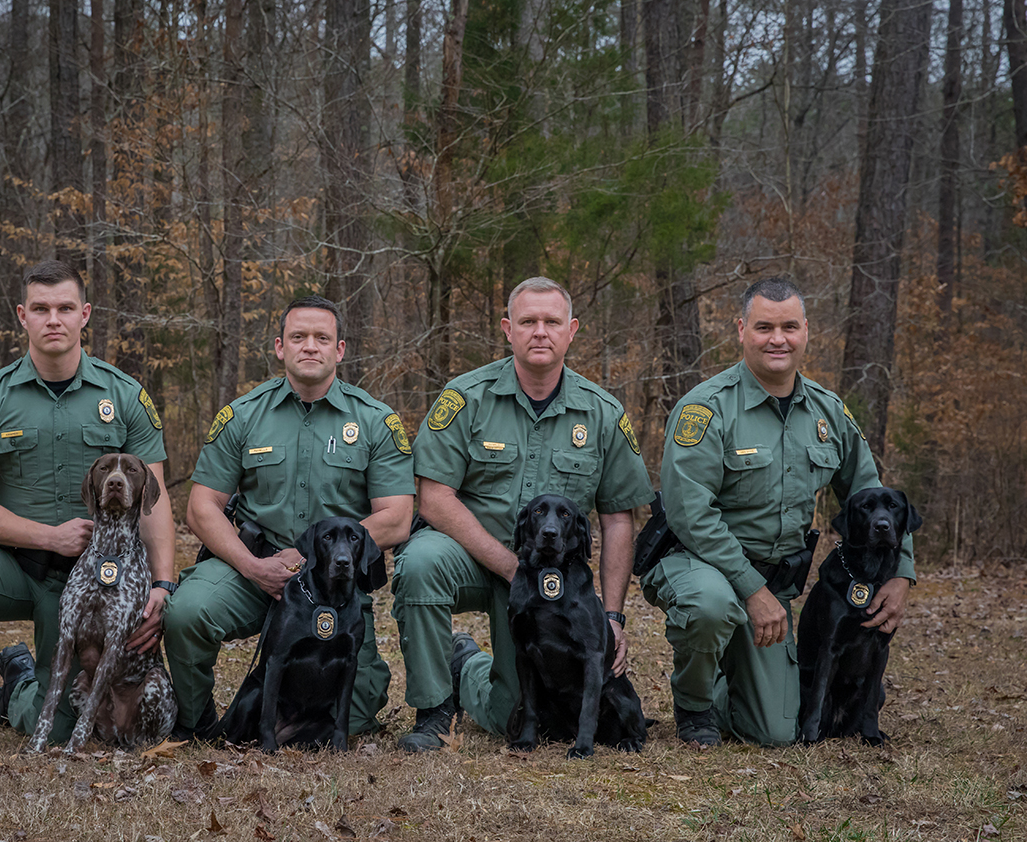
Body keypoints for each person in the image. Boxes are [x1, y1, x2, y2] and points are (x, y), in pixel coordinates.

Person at [0, 260, 176, 756]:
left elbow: (155, 501)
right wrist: (47, 536)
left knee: (61, 727)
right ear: (22, 316)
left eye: (65, 308)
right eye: (41, 308)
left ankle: (16, 686)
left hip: (99, 582)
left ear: (85, 315)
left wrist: (161, 584)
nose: (53, 318)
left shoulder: (126, 397)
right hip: (14, 563)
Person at [646, 276, 915, 747]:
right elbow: (690, 516)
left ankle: (734, 680)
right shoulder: (705, 410)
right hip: (697, 564)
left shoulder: (828, 413)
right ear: (741, 329)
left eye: (789, 327)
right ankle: (695, 705)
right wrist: (752, 590)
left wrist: (902, 573)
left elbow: (872, 494)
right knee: (710, 606)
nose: (778, 339)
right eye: (764, 327)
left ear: (806, 330)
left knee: (776, 732)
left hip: (774, 581)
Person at [392, 276, 654, 751]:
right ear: (507, 329)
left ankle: (467, 664)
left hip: (553, 583)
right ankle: (433, 711)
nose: (540, 332)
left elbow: (618, 518)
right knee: (420, 562)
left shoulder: (602, 413)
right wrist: (512, 566)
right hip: (474, 558)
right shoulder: (466, 397)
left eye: (552, 321)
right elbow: (433, 499)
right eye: (528, 321)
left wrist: (612, 615)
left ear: (571, 330)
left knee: (509, 717)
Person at [166, 295, 414, 740]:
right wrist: (253, 566)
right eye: (298, 337)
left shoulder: (376, 421)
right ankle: (196, 720)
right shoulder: (243, 415)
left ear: (340, 350)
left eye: (323, 338)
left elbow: (396, 518)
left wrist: (307, 562)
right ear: (280, 347)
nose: (310, 347)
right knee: (187, 611)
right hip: (250, 569)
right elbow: (200, 508)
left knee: (355, 714)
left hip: (330, 582)